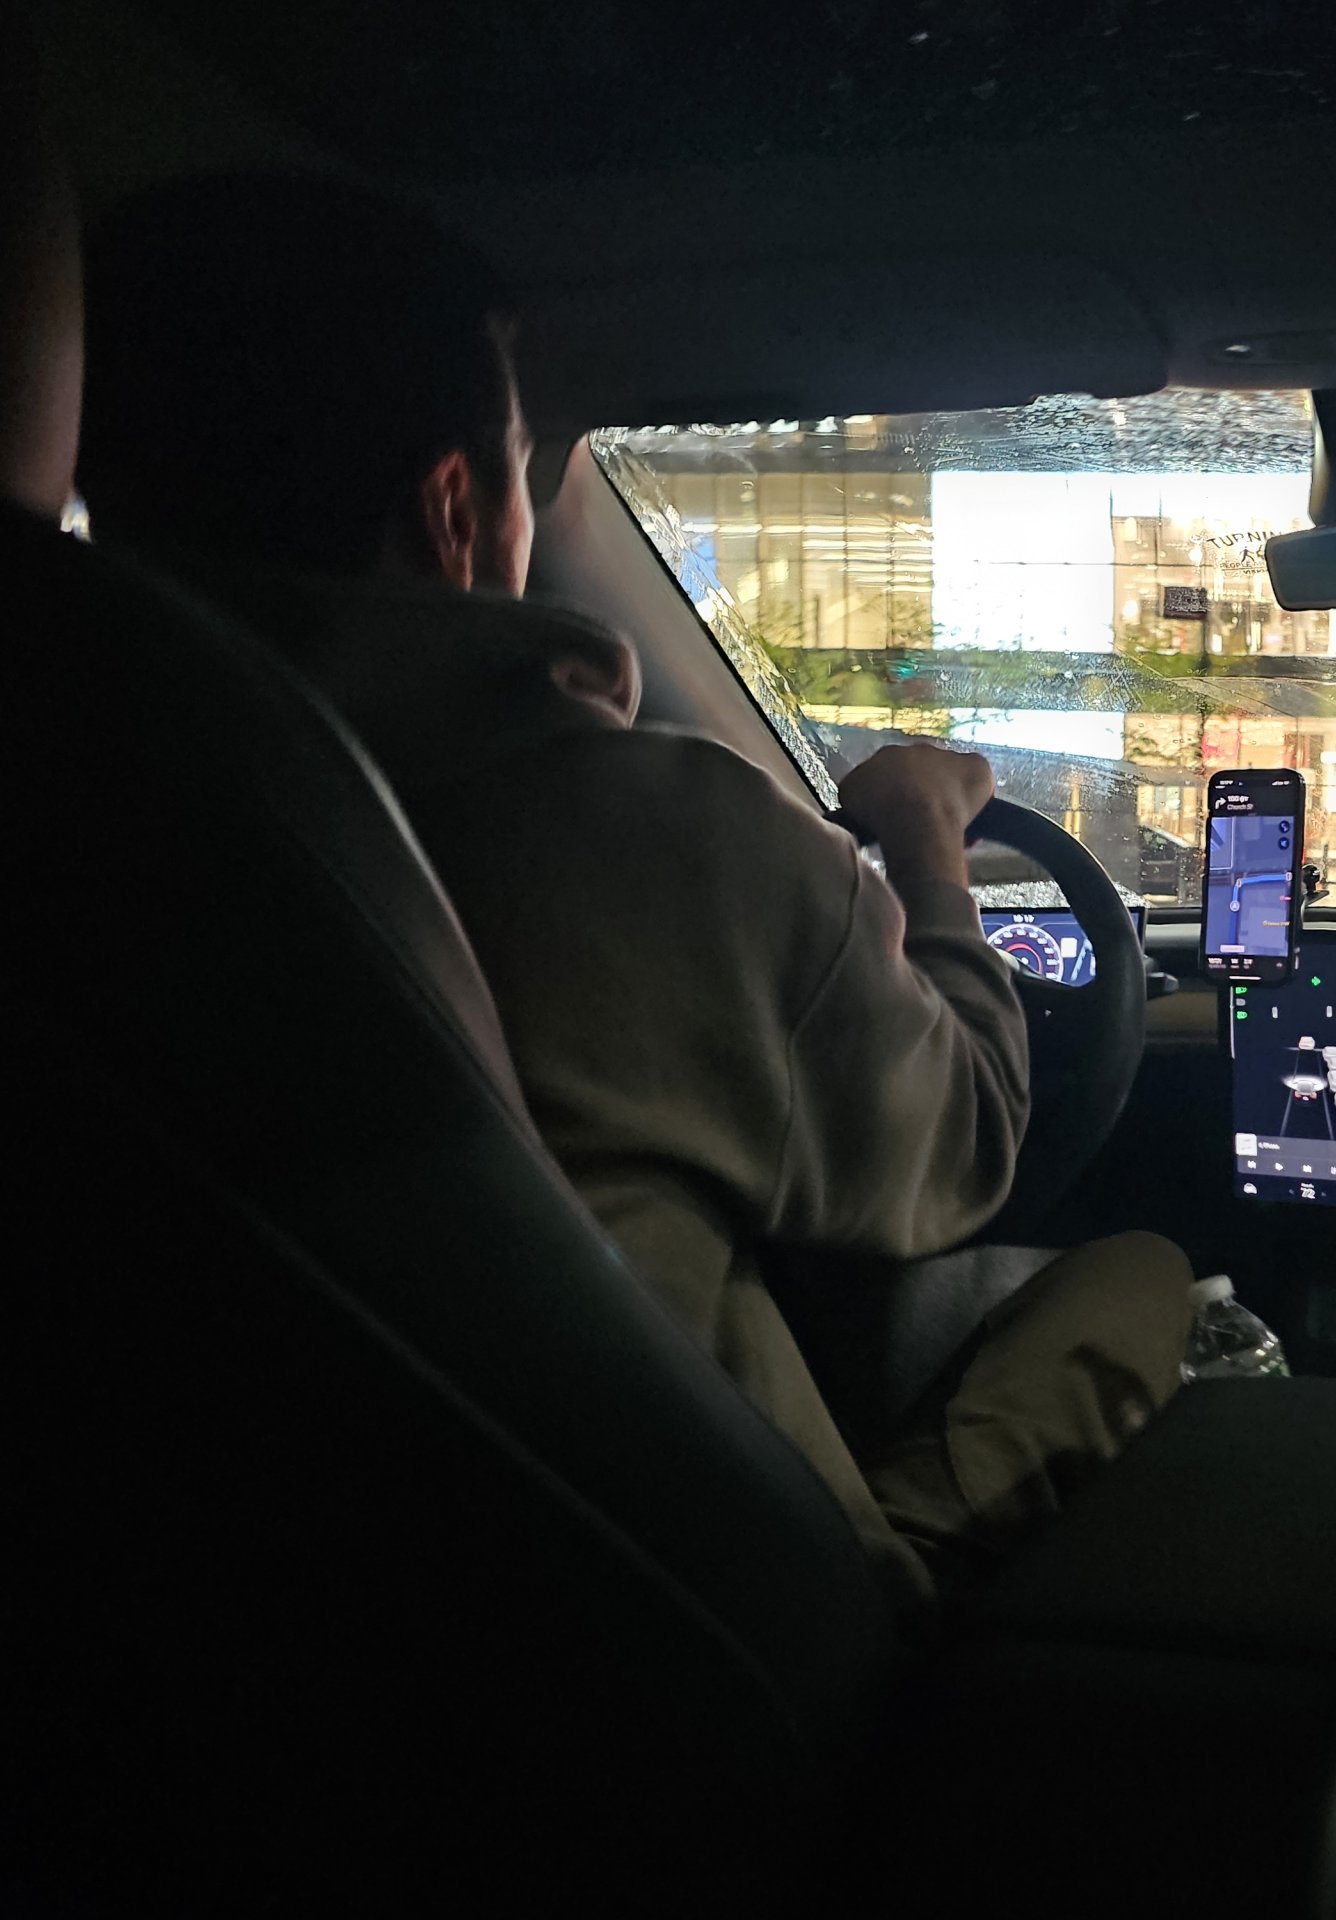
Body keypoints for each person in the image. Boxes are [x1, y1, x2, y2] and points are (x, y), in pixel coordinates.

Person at [76, 172, 1197, 1607]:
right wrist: (927, 846)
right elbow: (970, 1140)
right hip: (726, 1648)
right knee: (1142, 1279)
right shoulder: (647, 825)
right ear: (453, 510)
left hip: (227, 1625)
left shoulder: (82, 810)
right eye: (524, 470)